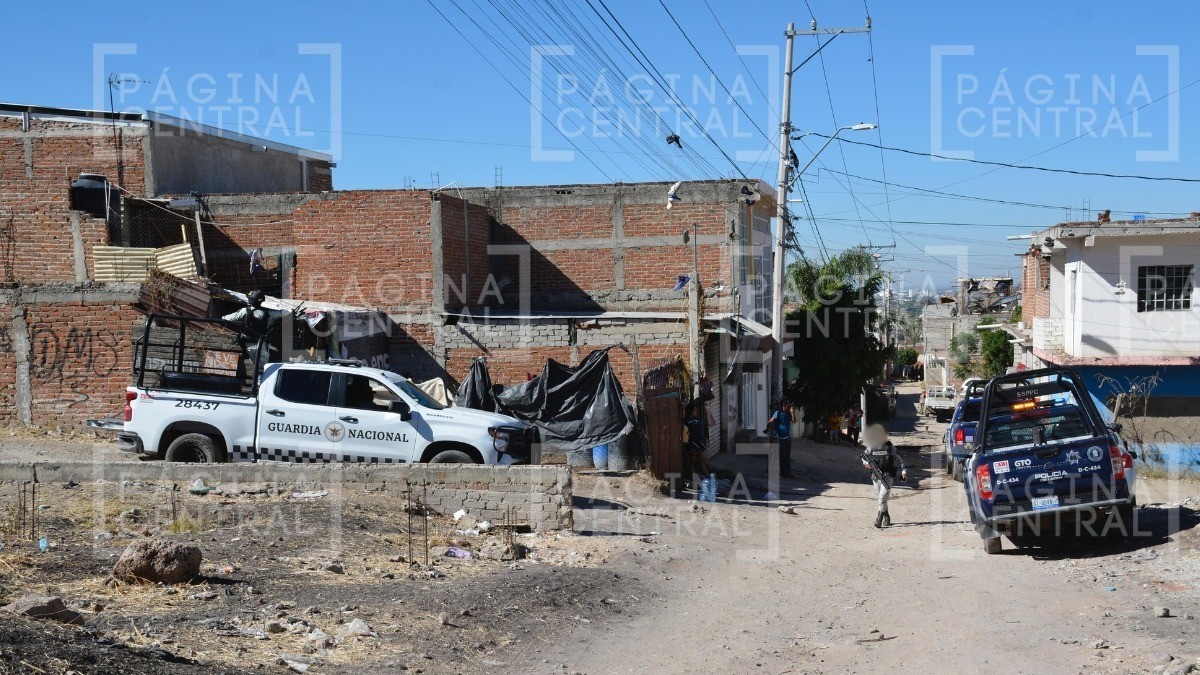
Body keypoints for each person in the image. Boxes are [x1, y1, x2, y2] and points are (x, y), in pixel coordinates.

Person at [860, 424, 907, 528]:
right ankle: (887, 516)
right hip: (875, 476)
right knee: (880, 498)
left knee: (882, 498)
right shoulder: (871, 447)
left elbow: (899, 460)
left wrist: (903, 471)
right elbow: (863, 456)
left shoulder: (891, 448)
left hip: (888, 476)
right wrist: (866, 463)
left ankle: (879, 519)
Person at [767, 400, 797, 478]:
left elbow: (794, 421)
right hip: (780, 437)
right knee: (782, 456)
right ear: (784, 406)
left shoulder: (788, 413)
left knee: (787, 456)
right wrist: (769, 432)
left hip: (787, 437)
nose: (790, 407)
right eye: (788, 406)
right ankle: (782, 473)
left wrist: (792, 412)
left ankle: (787, 472)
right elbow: (771, 422)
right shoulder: (778, 413)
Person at [683, 401, 709, 484]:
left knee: (702, 461)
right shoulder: (686, 421)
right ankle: (693, 478)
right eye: (695, 410)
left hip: (701, 442)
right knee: (692, 462)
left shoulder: (698, 419)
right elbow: (686, 433)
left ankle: (708, 477)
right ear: (691, 411)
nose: (696, 411)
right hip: (693, 443)